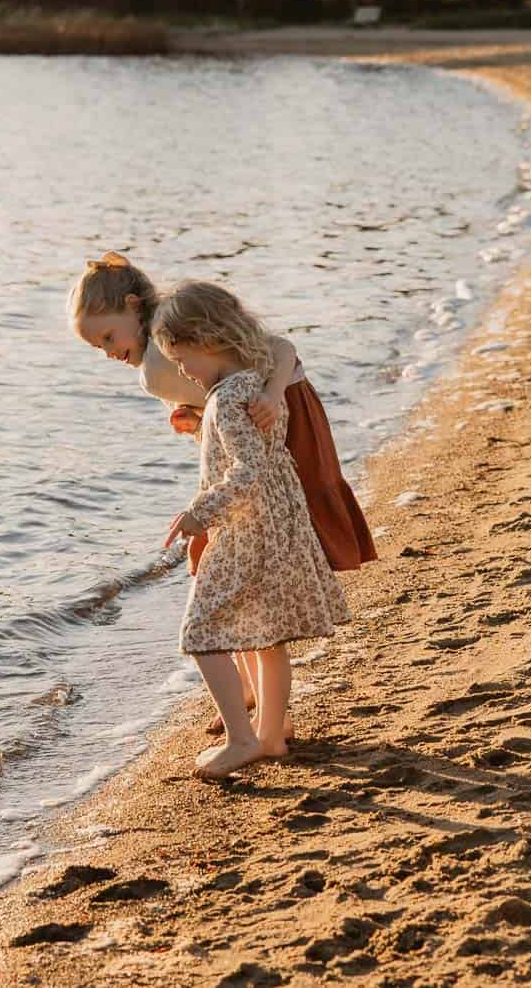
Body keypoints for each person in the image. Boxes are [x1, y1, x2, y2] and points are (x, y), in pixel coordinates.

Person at [67, 251, 376, 732]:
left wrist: (273, 394)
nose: (108, 351)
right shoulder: (168, 348)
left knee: (251, 556)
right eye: (97, 347)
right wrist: (197, 423)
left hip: (280, 414)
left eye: (108, 336)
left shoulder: (166, 346)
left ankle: (260, 697)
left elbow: (278, 348)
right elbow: (221, 411)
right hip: (263, 428)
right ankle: (254, 691)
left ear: (134, 305)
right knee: (242, 557)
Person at [152, 280, 350, 779]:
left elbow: (247, 468)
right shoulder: (256, 381)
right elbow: (259, 444)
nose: (180, 372)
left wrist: (202, 511)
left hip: (247, 531)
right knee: (265, 639)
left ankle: (241, 737)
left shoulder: (230, 396)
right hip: (277, 523)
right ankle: (270, 736)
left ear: (209, 340)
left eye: (180, 360)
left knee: (201, 630)